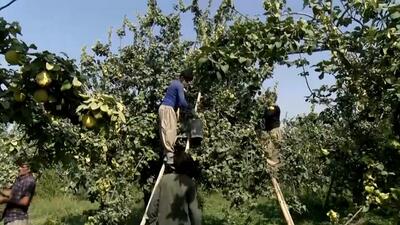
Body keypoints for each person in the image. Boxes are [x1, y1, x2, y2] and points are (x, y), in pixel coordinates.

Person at [147, 148, 201, 225]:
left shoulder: (164, 180)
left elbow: (152, 207)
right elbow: (194, 212)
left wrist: (153, 223)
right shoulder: (189, 183)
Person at [159, 68, 193, 166]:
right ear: (182, 78)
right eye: (187, 81)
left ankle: (167, 155)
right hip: (167, 108)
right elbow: (182, 102)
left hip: (167, 109)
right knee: (169, 131)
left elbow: (178, 103)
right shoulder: (178, 84)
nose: (187, 83)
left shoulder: (174, 84)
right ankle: (169, 156)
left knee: (168, 130)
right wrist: (190, 109)